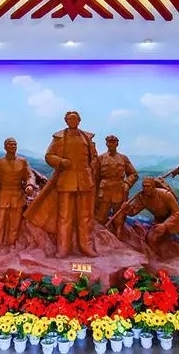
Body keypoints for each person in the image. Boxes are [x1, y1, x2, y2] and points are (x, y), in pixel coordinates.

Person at [44, 110, 99, 258]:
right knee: (64, 216)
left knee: (85, 216)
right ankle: (63, 248)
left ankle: (86, 246)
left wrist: (91, 166)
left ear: (79, 121)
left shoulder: (86, 137)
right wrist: (61, 161)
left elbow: (94, 157)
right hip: (66, 180)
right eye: (70, 119)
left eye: (75, 119)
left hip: (84, 181)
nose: (72, 121)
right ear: (66, 121)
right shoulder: (59, 137)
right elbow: (49, 156)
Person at [120, 178, 179, 250]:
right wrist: (127, 208)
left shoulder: (165, 194)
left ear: (154, 186)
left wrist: (165, 225)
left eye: (148, 186)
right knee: (151, 239)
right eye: (144, 186)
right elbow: (133, 212)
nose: (145, 188)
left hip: (175, 220)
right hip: (159, 221)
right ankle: (162, 257)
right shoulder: (142, 198)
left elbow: (177, 213)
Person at [0, 137, 37, 247]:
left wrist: (30, 184)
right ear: (5, 147)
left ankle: (11, 244)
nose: (13, 146)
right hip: (2, 195)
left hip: (17, 196)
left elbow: (30, 175)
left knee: (15, 224)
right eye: (10, 144)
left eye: (15, 144)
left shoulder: (22, 162)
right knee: (0, 223)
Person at [94, 135, 139, 224]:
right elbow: (96, 177)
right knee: (101, 218)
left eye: (113, 142)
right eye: (109, 142)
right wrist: (95, 195)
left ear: (117, 144)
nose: (111, 144)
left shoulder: (123, 158)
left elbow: (134, 174)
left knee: (119, 219)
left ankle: (119, 232)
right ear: (106, 144)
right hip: (104, 192)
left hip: (119, 191)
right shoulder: (101, 158)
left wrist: (127, 184)